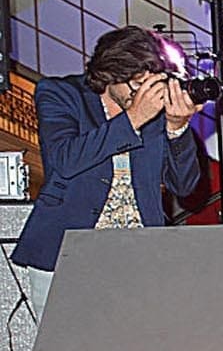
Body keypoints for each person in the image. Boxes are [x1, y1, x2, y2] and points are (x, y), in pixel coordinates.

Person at [13, 26, 201, 317]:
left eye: (149, 84)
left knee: (140, 342)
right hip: (66, 254)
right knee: (67, 344)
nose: (142, 94)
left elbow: (184, 185)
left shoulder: (153, 108)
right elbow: (63, 160)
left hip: (139, 257)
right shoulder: (61, 93)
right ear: (109, 73)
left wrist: (177, 128)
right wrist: (133, 118)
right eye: (136, 84)